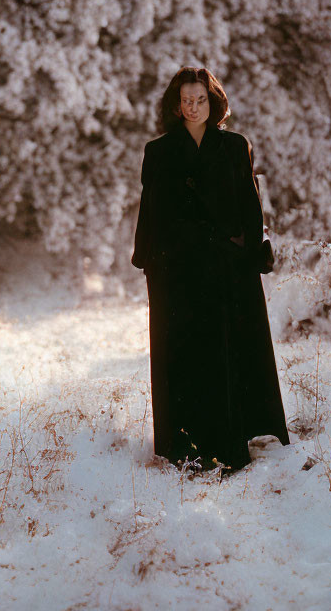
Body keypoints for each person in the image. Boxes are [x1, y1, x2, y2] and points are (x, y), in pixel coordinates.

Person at [131, 66, 290, 476]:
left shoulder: (236, 146)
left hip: (226, 270)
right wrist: (150, 262)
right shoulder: (159, 151)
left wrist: (252, 254)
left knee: (228, 352)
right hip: (178, 274)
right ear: (175, 104)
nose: (194, 106)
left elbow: (250, 207)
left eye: (200, 98)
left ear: (213, 101)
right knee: (187, 355)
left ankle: (232, 441)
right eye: (186, 99)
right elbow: (150, 215)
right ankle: (186, 447)